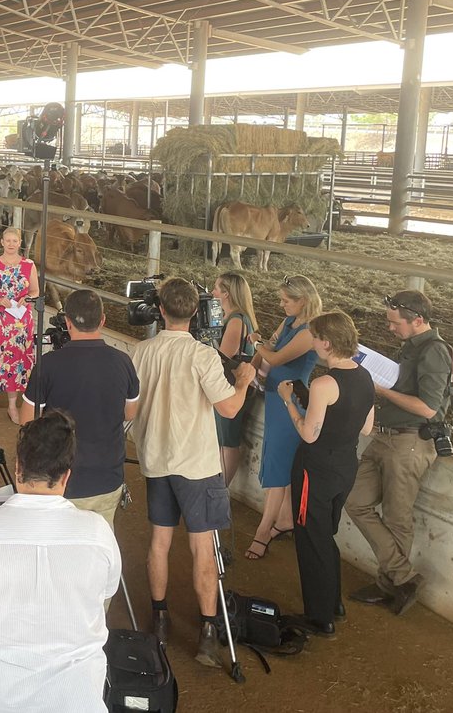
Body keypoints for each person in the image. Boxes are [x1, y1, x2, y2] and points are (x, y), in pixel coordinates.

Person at [0, 412, 120, 713]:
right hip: (77, 696)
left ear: (18, 468)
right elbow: (107, 590)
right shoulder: (98, 532)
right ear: (67, 475)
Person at [129, 277, 255, 666]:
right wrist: (245, 382)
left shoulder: (141, 351)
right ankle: (205, 629)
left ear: (161, 310)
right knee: (202, 546)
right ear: (197, 311)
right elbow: (229, 408)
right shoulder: (203, 355)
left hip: (156, 459)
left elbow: (129, 408)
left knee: (159, 543)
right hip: (197, 466)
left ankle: (160, 617)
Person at [345, 289, 451, 615]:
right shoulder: (413, 346)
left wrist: (380, 390)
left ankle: (390, 584)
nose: (391, 329)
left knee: (396, 516)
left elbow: (430, 408)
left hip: (410, 441)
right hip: (389, 436)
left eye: (395, 323)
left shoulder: (434, 352)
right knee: (355, 501)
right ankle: (402, 577)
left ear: (418, 320)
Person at [278, 311, 374, 636]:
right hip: (346, 465)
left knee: (309, 538)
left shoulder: (323, 383)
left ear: (327, 343)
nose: (313, 342)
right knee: (324, 535)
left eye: (316, 337)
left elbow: (308, 434)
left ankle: (319, 617)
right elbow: (367, 426)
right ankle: (333, 603)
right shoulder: (365, 376)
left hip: (314, 469)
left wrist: (289, 402)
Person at [21, 289, 140, 528]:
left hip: (62, 477)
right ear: (103, 320)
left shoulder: (49, 364)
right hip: (108, 477)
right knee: (100, 546)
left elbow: (27, 419)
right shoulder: (123, 361)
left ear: (67, 322)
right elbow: (130, 413)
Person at [245, 273, 321, 560]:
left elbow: (275, 357)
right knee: (279, 460)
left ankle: (263, 532)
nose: (281, 305)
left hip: (293, 402)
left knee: (276, 465)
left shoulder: (310, 332)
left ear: (303, 301)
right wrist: (262, 348)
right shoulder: (291, 322)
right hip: (276, 398)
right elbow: (272, 347)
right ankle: (286, 520)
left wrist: (255, 343)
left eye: (286, 301)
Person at [0, 227, 39, 424]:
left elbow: (35, 291)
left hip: (21, 321)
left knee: (18, 362)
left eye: (15, 241)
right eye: (8, 240)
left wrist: (27, 298)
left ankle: (13, 405)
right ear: (2, 242)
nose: (11, 244)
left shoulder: (29, 265)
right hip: (1, 320)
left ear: (20, 242)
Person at [211, 272, 259, 488]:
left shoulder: (237, 320)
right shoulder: (233, 317)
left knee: (228, 441)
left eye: (216, 289)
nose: (212, 293)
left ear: (226, 294)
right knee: (223, 439)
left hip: (231, 385)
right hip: (229, 384)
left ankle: (222, 489)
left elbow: (223, 356)